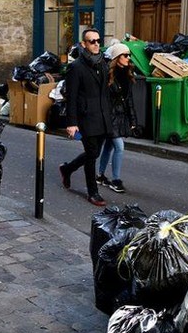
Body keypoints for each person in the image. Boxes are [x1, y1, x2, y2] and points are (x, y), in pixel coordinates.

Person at [59, 28, 113, 207]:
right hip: (86, 117)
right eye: (92, 41)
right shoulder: (76, 67)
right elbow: (71, 96)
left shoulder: (103, 63)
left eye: (98, 40)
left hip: (103, 116)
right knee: (91, 155)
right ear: (84, 44)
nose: (97, 44)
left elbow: (105, 91)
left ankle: (67, 169)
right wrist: (72, 123)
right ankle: (93, 192)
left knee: (94, 152)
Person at [96, 42, 137, 194]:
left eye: (129, 55)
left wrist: (133, 121)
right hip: (109, 117)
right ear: (117, 57)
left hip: (120, 117)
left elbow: (130, 100)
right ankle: (116, 180)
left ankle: (100, 175)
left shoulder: (127, 74)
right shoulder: (107, 74)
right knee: (119, 146)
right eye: (125, 55)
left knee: (109, 146)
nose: (128, 58)